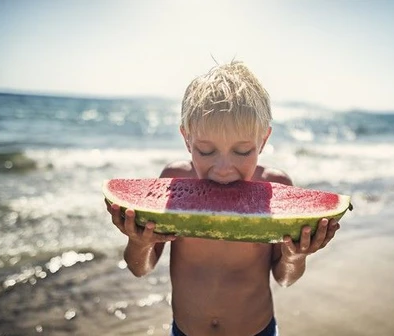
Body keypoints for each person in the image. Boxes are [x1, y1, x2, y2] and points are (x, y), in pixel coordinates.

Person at [106, 61, 341, 336]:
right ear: (187, 139)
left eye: (242, 151)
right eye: (205, 151)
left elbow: (284, 279)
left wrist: (295, 256)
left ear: (263, 141)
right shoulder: (171, 180)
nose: (223, 168)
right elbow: (140, 269)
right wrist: (139, 243)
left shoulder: (276, 185)